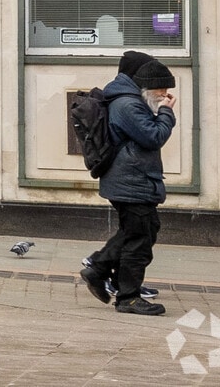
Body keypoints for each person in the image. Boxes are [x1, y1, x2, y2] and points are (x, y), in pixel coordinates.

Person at [80, 54, 177, 316]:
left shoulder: (128, 101)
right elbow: (153, 136)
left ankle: (99, 269)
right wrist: (167, 112)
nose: (165, 94)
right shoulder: (128, 105)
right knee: (138, 240)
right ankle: (129, 297)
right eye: (162, 88)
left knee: (140, 230)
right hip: (131, 181)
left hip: (131, 179)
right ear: (145, 84)